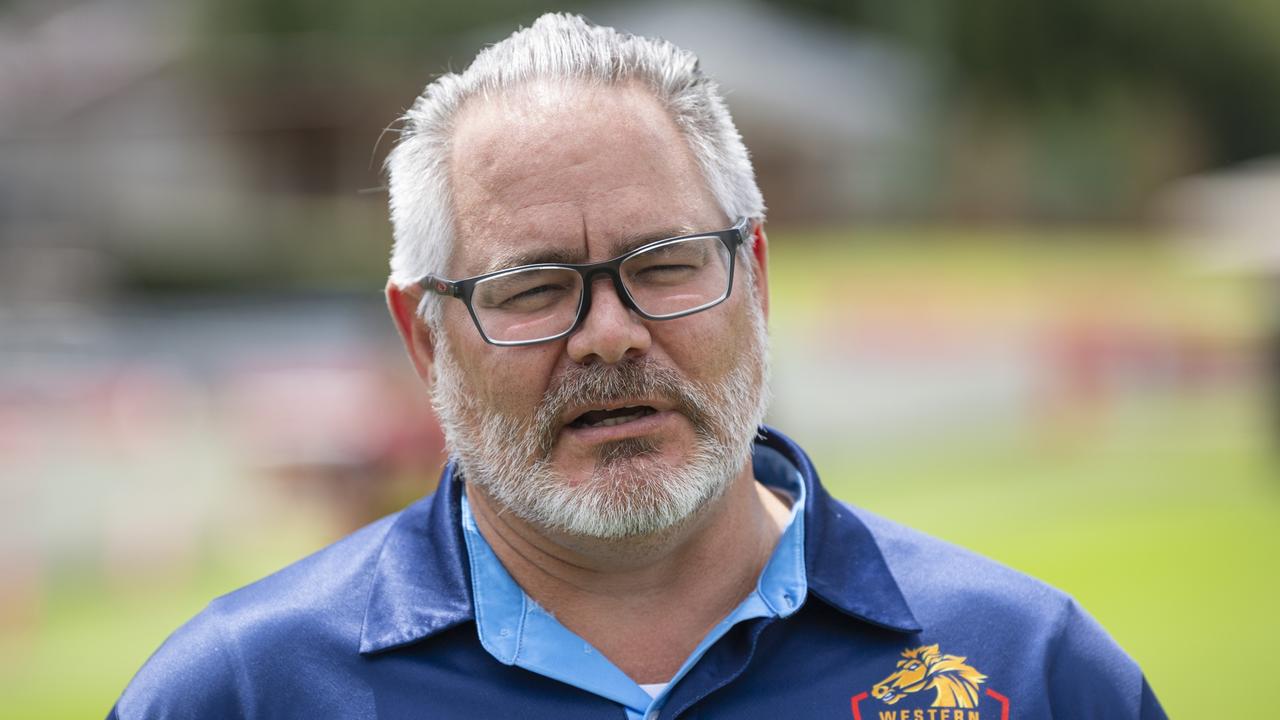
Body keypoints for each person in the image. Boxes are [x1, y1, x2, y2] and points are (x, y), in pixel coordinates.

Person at [110, 13, 1166, 720]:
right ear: (424, 336)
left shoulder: (1030, 669)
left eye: (661, 267)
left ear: (752, 273)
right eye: (531, 288)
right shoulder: (244, 693)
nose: (608, 334)